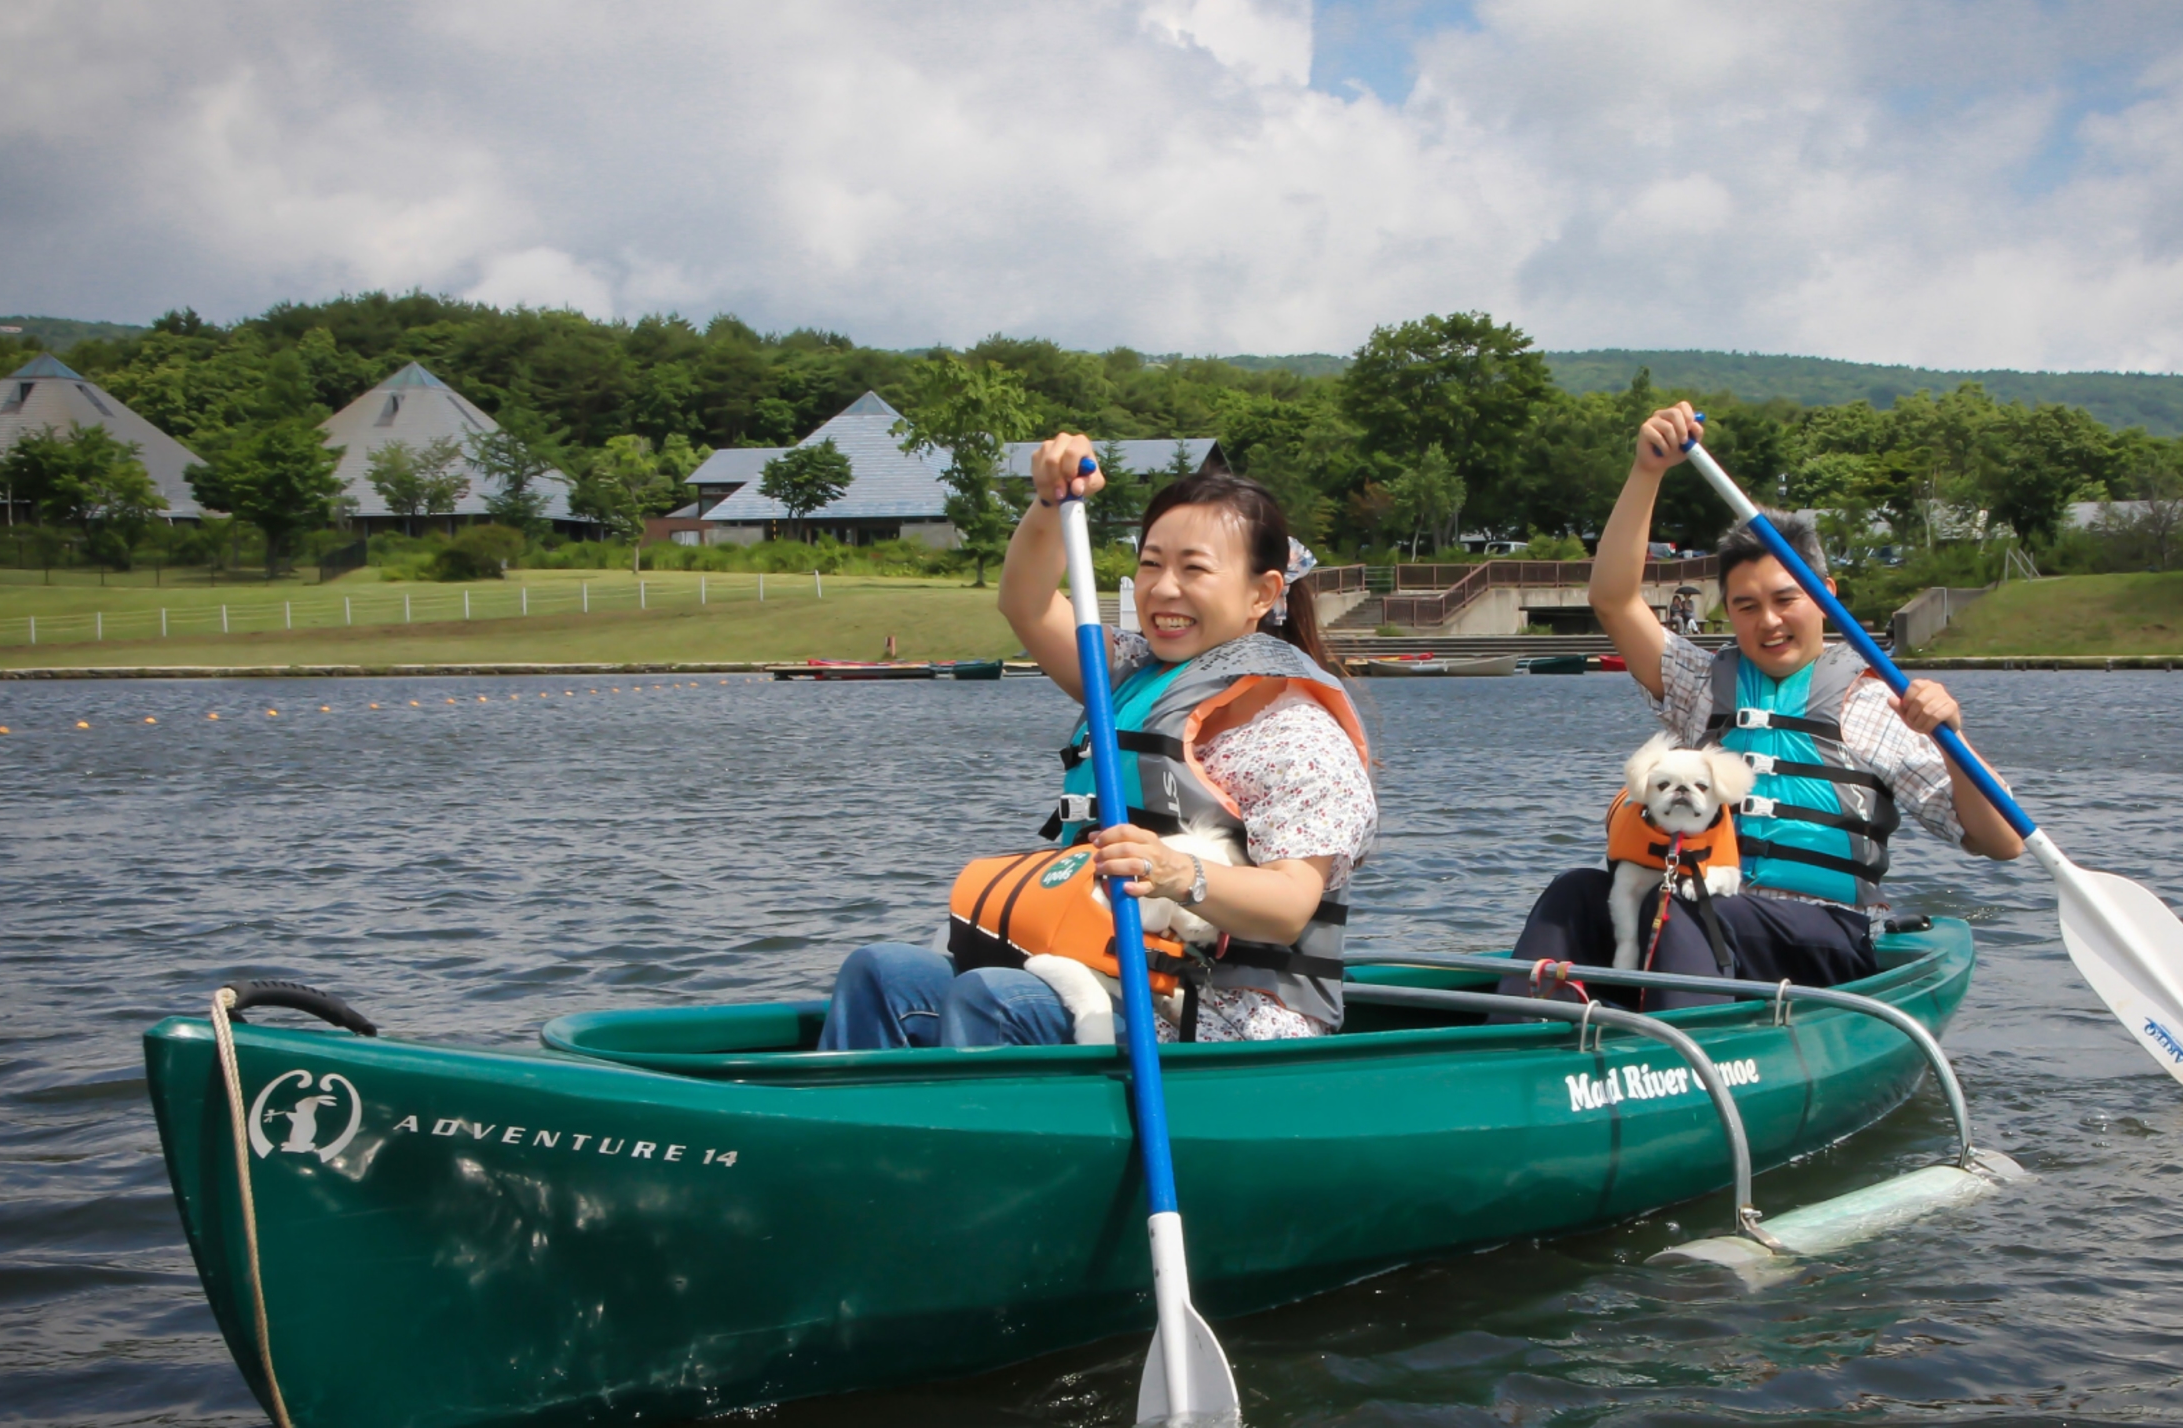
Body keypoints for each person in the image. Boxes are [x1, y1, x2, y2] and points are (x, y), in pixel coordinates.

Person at [820, 435, 1375, 1049]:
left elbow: (1288, 905)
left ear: (1262, 594)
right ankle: (853, 1126)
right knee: (882, 973)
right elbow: (1025, 604)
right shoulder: (1129, 674)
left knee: (996, 999)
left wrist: (1175, 871)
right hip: (1093, 973)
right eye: (1150, 563)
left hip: (1226, 1014)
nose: (1163, 589)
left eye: (1193, 569)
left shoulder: (1297, 735)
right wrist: (1049, 501)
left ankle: (974, 1135)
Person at [1502, 402, 2021, 1008]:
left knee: (1684, 910)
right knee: (1575, 893)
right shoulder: (1703, 685)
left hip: (1820, 938)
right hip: (1705, 906)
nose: (1768, 622)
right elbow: (1613, 600)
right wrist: (1648, 473)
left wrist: (1949, 736)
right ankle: (1513, 1040)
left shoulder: (1880, 705)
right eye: (1746, 606)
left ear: (1825, 596)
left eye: (1785, 599)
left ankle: (1681, 1067)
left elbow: (2003, 841)